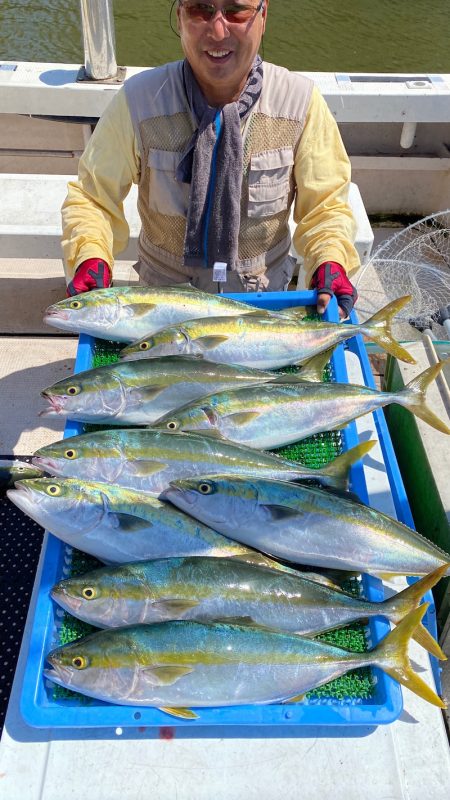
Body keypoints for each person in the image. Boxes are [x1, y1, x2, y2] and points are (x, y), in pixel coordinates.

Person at [62, 0, 359, 319]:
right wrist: (90, 256)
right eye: (200, 9)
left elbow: (325, 207)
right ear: (180, 15)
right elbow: (94, 199)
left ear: (263, 15)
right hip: (162, 307)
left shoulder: (301, 103)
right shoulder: (139, 101)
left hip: (262, 305)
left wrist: (331, 260)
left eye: (236, 12)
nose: (218, 30)